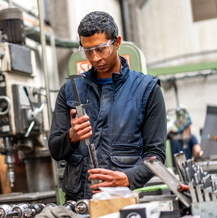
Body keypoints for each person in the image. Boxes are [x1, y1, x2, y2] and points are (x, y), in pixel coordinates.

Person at [48, 11, 166, 201]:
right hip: (78, 203)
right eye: (87, 51)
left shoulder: (147, 90)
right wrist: (72, 136)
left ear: (117, 42)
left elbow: (156, 155)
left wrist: (128, 177)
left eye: (101, 49)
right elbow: (55, 149)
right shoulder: (70, 91)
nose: (94, 58)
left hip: (123, 199)